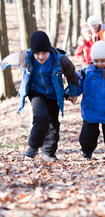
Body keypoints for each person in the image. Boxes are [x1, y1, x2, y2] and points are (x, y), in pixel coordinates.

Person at [0, 31, 79, 162]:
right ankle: (32, 148)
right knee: (41, 116)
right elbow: (10, 59)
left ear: (49, 50)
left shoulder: (60, 59)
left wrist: (73, 93)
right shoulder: (24, 56)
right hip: (36, 92)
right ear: (33, 52)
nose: (40, 57)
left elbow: (72, 75)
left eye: (44, 53)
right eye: (37, 54)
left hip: (54, 94)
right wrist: (2, 66)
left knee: (53, 123)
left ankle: (48, 152)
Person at [68, 40, 105, 160]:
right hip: (91, 109)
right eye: (96, 61)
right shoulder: (86, 72)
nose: (99, 64)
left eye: (103, 61)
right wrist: (70, 92)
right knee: (88, 136)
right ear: (92, 60)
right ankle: (87, 152)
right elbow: (77, 83)